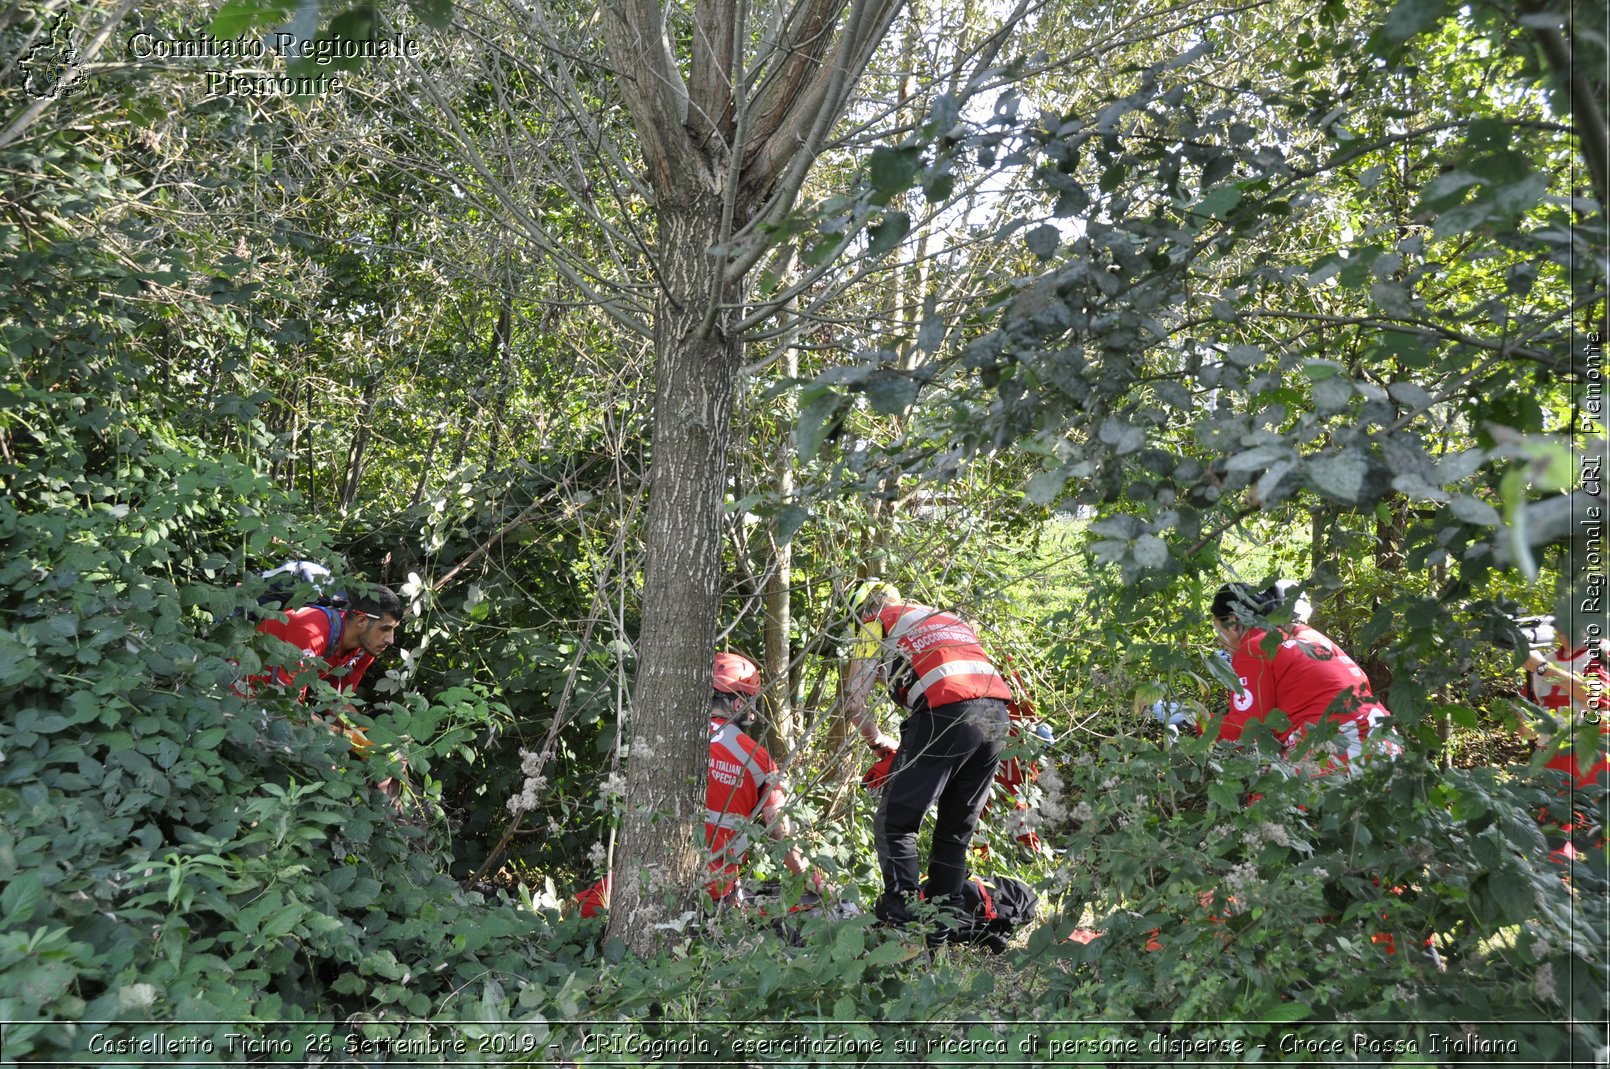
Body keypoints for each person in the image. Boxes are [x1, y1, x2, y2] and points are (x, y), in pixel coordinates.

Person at [576, 652, 818, 916]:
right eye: (749, 701)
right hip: (713, 890)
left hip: (647, 876)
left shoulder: (666, 741)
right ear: (737, 704)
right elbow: (780, 833)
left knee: (576, 911)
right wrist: (812, 881)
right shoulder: (759, 760)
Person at [841, 579, 1012, 936]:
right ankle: (944, 926)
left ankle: (904, 921)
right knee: (955, 829)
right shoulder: (947, 619)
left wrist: (876, 742)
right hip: (996, 716)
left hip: (945, 712)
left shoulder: (877, 622)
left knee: (896, 822)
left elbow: (855, 699)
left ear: (864, 610)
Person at [1206, 581, 1399, 771]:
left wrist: (1197, 719)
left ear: (1232, 623)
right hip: (1384, 738)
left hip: (1343, 742)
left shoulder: (1254, 647)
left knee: (1273, 795)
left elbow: (1244, 730)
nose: (1218, 641)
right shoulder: (1310, 637)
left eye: (1217, 630)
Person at [249, 585, 405, 787]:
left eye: (393, 630)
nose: (390, 640)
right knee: (321, 766)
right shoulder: (311, 630)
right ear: (361, 621)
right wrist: (350, 738)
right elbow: (286, 706)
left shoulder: (365, 648)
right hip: (247, 693)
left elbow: (338, 700)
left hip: (282, 701)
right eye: (385, 629)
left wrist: (376, 741)